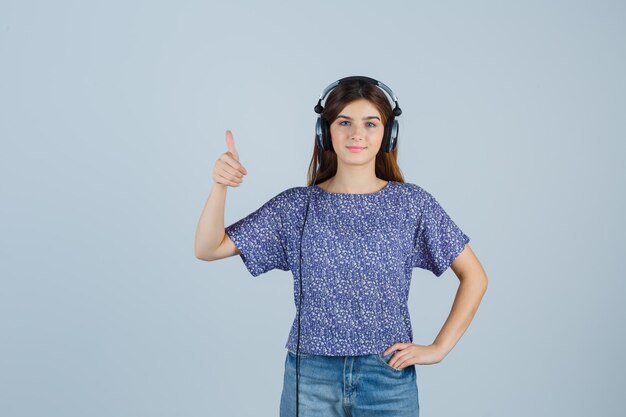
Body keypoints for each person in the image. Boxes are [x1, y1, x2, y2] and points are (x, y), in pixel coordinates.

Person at [194, 76, 488, 417]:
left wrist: (439, 348)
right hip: (310, 377)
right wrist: (219, 186)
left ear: (388, 134)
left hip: (387, 375)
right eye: (344, 122)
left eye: (370, 123)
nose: (356, 133)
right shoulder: (295, 207)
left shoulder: (411, 204)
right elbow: (208, 248)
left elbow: (475, 277)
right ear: (326, 132)